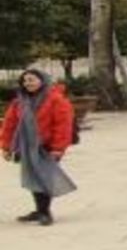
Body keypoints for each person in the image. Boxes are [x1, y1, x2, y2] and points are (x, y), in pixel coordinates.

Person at [1, 68, 76, 226]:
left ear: (42, 80)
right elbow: (9, 125)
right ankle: (39, 209)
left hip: (47, 146)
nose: (28, 83)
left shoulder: (55, 100)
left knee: (43, 177)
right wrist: (5, 146)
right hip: (27, 146)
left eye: (32, 80)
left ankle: (44, 212)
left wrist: (58, 147)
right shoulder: (19, 102)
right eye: (25, 80)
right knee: (32, 177)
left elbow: (63, 125)